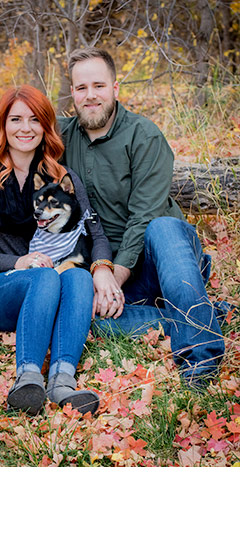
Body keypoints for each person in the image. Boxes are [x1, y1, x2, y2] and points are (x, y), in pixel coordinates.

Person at [59, 47, 226, 388]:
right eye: (81, 88)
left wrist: (111, 279)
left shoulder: (144, 136)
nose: (90, 95)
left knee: (162, 227)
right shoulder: (60, 137)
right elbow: (13, 135)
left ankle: (200, 359)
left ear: (115, 89)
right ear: (72, 94)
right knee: (85, 318)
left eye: (99, 86)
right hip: (108, 268)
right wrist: (99, 275)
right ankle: (204, 314)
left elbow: (143, 219)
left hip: (158, 255)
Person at [0, 85, 116, 415]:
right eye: (16, 119)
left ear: (45, 126)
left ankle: (62, 383)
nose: (25, 128)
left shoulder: (59, 178)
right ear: (2, 124)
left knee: (78, 277)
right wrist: (18, 261)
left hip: (52, 286)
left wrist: (101, 268)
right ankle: (27, 381)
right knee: (44, 276)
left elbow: (95, 232)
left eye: (34, 119)